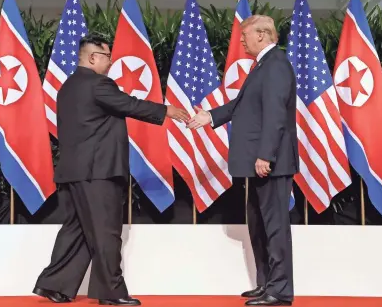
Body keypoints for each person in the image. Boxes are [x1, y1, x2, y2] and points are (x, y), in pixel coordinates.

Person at [33, 34, 189, 306]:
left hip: (74, 171)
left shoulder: (68, 86)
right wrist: (166, 111)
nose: (110, 61)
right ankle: (112, 292)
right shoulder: (98, 84)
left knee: (77, 229)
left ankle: (53, 284)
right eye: (107, 56)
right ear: (93, 57)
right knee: (106, 231)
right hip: (98, 171)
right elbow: (129, 104)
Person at [188, 15, 298, 306]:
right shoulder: (263, 65)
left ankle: (280, 290)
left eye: (245, 35)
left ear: (262, 35)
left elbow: (275, 115)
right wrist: (210, 116)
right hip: (257, 162)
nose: (240, 40)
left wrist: (266, 155)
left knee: (275, 227)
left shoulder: (275, 65)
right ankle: (266, 284)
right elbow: (242, 104)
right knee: (259, 225)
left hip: (270, 164)